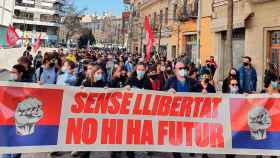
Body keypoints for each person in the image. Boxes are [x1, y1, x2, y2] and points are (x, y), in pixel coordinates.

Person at [3, 65, 26, 158]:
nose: (11, 74)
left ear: (21, 74)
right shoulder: (7, 84)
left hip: (20, 122)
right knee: (6, 148)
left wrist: (40, 85)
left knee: (17, 149)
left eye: (14, 72)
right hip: (8, 120)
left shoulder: (28, 86)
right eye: (11, 72)